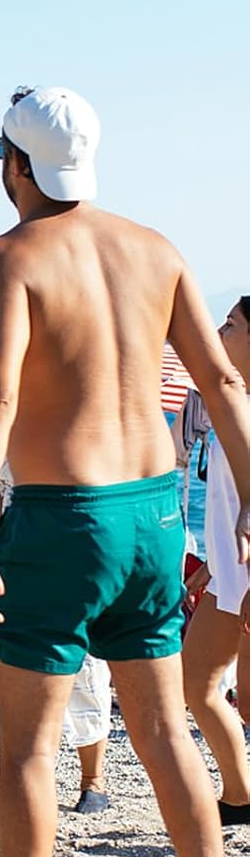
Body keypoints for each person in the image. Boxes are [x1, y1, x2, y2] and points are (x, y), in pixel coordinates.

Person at [0, 85, 250, 857]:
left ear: (15, 165)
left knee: (29, 751)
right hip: (154, 514)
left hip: (61, 518)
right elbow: (227, 387)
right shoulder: (156, 249)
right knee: (162, 728)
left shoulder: (6, 258)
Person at [0, 461, 111, 813]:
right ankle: (13, 773)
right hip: (15, 564)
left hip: (76, 558)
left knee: (85, 673)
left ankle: (92, 780)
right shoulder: (7, 436)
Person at [179, 295, 250, 827]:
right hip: (231, 576)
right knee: (199, 685)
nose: (220, 331)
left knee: (230, 695)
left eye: (231, 324)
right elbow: (231, 502)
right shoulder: (234, 403)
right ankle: (240, 796)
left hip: (247, 582)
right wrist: (210, 563)